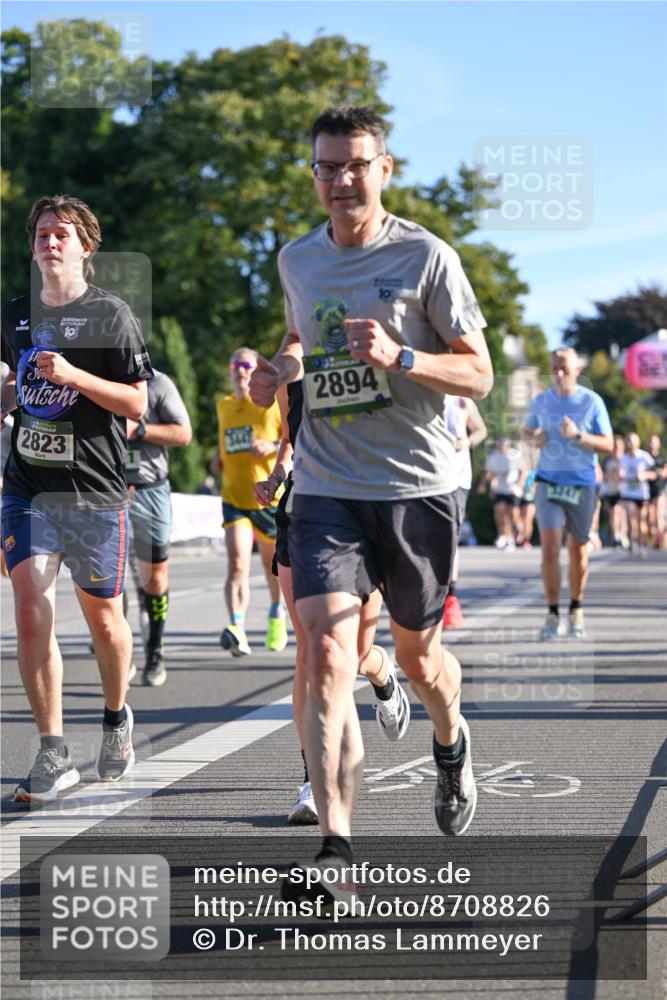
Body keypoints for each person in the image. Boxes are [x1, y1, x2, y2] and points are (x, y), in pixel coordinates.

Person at [250, 105, 493, 902]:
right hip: (325, 487)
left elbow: (479, 373)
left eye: (355, 164)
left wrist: (402, 356)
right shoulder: (297, 259)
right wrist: (278, 372)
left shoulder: (427, 256)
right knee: (321, 651)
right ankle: (335, 850)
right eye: (326, 166)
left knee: (419, 661)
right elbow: (296, 336)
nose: (340, 180)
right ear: (313, 173)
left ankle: (451, 742)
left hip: (414, 489)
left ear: (383, 169)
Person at [1, 194, 152, 802]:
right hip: (29, 487)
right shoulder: (13, 314)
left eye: (62, 232)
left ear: (86, 247)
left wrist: (75, 377)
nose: (49, 241)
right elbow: (11, 387)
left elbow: (138, 403)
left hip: (94, 490)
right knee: (30, 601)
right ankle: (52, 748)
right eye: (41, 232)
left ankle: (116, 718)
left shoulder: (113, 315)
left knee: (104, 618)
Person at [254, 380, 411, 825]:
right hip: (302, 512)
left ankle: (383, 676)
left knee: (355, 656)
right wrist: (277, 476)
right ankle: (313, 782)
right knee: (312, 653)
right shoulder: (292, 368)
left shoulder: (372, 348)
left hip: (364, 511)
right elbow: (289, 436)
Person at [523, 348, 613, 640]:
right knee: (549, 548)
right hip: (549, 482)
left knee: (578, 551)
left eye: (563, 368)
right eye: (554, 368)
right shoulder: (541, 400)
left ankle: (576, 607)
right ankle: (552, 614)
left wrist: (578, 435)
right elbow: (526, 431)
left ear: (577, 369)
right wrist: (533, 437)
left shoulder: (591, 402)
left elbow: (608, 444)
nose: (558, 373)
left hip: (582, 484)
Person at [213, 347, 287, 656]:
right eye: (236, 365)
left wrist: (270, 446)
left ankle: (276, 611)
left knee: (273, 567)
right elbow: (223, 449)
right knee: (237, 562)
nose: (240, 371)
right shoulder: (224, 406)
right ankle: (237, 627)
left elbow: (292, 438)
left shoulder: (271, 404)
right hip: (234, 497)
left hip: (268, 498)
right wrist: (216, 463)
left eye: (247, 365)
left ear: (256, 372)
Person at [125, 368, 192, 686]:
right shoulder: (89, 377)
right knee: (105, 578)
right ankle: (118, 650)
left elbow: (183, 434)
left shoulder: (158, 383)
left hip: (150, 489)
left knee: (155, 578)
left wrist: (139, 430)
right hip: (106, 491)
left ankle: (155, 650)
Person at [442, 394, 487, 628]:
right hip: (428, 473)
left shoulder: (462, 398)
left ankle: (450, 599)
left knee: (450, 536)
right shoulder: (422, 386)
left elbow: (480, 430)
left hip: (458, 477)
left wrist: (467, 441)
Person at [477, 435, 525, 550]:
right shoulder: (493, 456)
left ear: (508, 445)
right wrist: (483, 484)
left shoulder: (515, 455)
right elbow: (489, 472)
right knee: (500, 511)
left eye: (503, 445)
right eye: (499, 444)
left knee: (513, 514)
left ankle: (518, 528)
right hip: (500, 488)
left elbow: (524, 470)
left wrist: (521, 484)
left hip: (513, 489)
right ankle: (507, 537)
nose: (501, 447)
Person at [619, 432, 654, 557]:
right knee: (630, 518)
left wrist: (645, 475)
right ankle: (632, 543)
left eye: (632, 441)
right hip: (628, 493)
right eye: (628, 441)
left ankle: (641, 544)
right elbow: (619, 472)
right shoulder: (624, 457)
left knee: (641, 521)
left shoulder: (644, 456)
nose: (630, 444)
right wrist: (620, 474)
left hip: (642, 493)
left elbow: (655, 473)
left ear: (637, 443)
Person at [600, 434, 628, 547]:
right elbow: (603, 476)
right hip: (611, 491)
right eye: (615, 445)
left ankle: (623, 536)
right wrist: (610, 475)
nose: (617, 447)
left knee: (621, 513)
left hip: (624, 491)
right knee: (613, 514)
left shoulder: (626, 459)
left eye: (619, 445)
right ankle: (615, 537)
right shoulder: (608, 460)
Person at [646, 433, 667, 549]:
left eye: (654, 441)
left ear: (658, 444)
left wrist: (653, 474)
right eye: (650, 441)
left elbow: (665, 472)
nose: (652, 444)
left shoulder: (662, 457)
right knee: (650, 517)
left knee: (659, 514)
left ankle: (660, 539)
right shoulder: (644, 457)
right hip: (647, 491)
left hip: (660, 489)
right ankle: (654, 537)